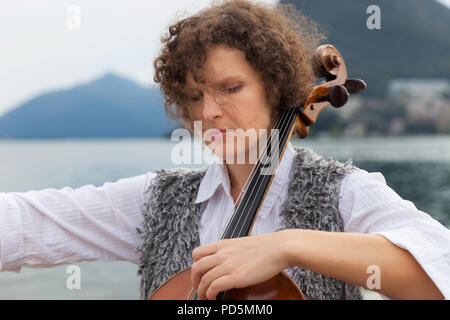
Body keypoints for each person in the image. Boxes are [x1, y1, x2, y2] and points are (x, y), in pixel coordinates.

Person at [0, 0, 449, 300]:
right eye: (194, 96)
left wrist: (289, 247)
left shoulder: (342, 191)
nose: (209, 111)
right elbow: (28, 223)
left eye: (230, 88)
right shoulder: (158, 201)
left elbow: (437, 272)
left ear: (276, 88)